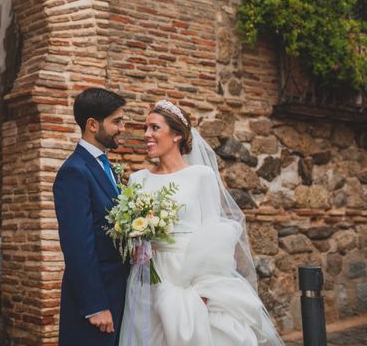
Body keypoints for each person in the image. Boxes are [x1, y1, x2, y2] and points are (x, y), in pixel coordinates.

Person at [119, 99, 285, 346]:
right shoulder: (137, 180)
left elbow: (214, 236)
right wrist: (135, 248)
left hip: (188, 277)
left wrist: (206, 293)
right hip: (147, 278)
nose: (147, 135)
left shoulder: (201, 176)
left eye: (154, 128)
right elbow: (130, 235)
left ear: (176, 135)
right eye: (146, 128)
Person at [53, 88, 131, 346]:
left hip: (117, 293)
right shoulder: (74, 172)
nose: (122, 127)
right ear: (92, 125)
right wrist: (95, 305)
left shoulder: (105, 165)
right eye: (116, 121)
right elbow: (78, 246)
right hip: (94, 302)